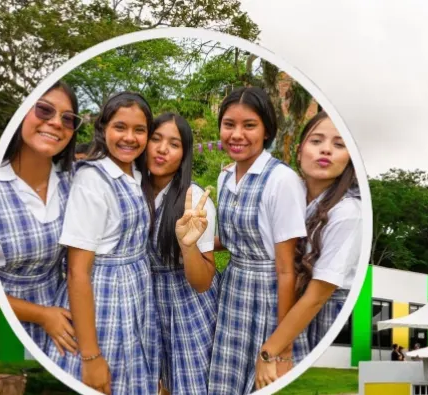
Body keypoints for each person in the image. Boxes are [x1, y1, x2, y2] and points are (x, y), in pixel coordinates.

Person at [51, 92, 159, 394]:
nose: (130, 138)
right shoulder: (93, 181)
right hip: (105, 303)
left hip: (136, 296)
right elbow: (77, 272)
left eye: (139, 130)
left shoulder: (137, 175)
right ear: (104, 129)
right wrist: (91, 355)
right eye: (120, 127)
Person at [207, 87, 308, 395]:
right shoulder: (225, 178)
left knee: (264, 381)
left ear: (266, 130)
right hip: (232, 289)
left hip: (269, 294)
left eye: (249, 125)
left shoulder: (282, 180)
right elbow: (230, 239)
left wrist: (281, 344)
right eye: (229, 124)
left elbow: (286, 268)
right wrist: (189, 242)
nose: (237, 134)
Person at [253, 111, 363, 389]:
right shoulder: (294, 193)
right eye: (317, 141)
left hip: (322, 311)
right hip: (289, 303)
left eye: (339, 145)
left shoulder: (348, 212)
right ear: (300, 150)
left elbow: (317, 297)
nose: (326, 149)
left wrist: (270, 351)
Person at [0, 81, 80, 357]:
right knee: (16, 378)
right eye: (44, 110)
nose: (56, 123)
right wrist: (42, 315)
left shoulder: (72, 181)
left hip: (65, 318)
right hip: (16, 321)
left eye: (68, 119)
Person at [142, 113, 218, 395]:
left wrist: (187, 246)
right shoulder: (133, 191)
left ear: (184, 154)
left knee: (190, 383)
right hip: (147, 301)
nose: (162, 149)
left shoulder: (194, 201)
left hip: (189, 305)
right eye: (156, 139)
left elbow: (202, 283)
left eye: (173, 144)